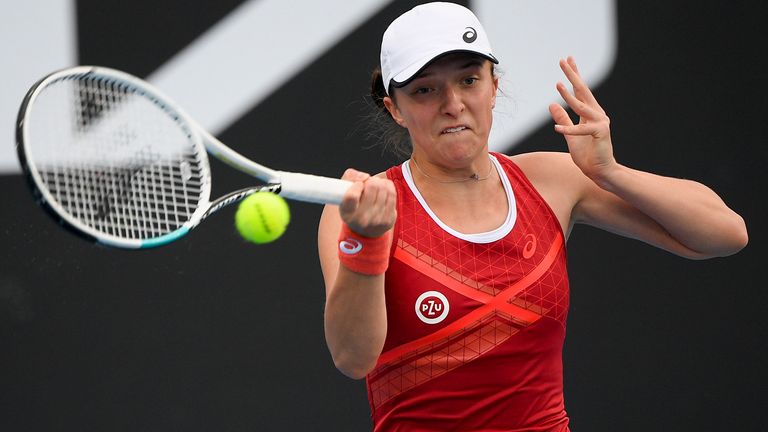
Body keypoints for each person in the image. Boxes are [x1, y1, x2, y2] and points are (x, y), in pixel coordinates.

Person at [317, 3, 748, 431]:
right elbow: (353, 359)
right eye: (425, 90)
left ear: (493, 87)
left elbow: (725, 234)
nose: (453, 104)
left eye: (469, 80)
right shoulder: (356, 209)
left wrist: (610, 173)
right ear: (395, 108)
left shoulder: (550, 180)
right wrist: (368, 241)